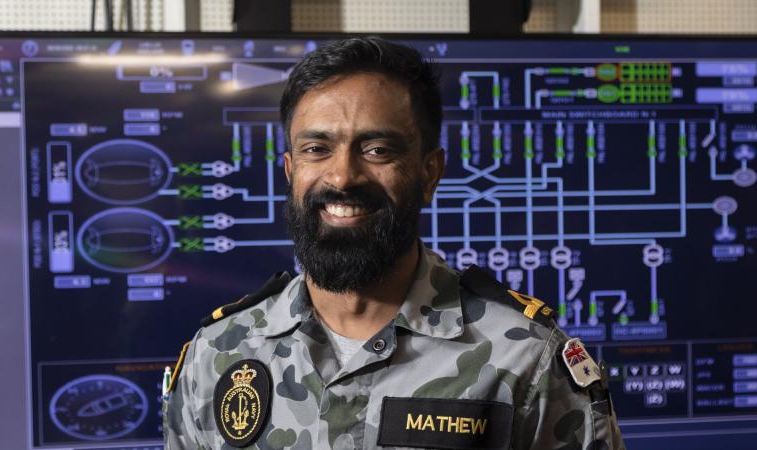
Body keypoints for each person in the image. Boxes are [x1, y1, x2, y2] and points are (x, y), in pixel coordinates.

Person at [163, 37, 625, 450]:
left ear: (429, 173)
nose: (342, 176)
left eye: (377, 150)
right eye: (317, 149)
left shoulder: (527, 359)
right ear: (290, 171)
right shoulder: (218, 354)